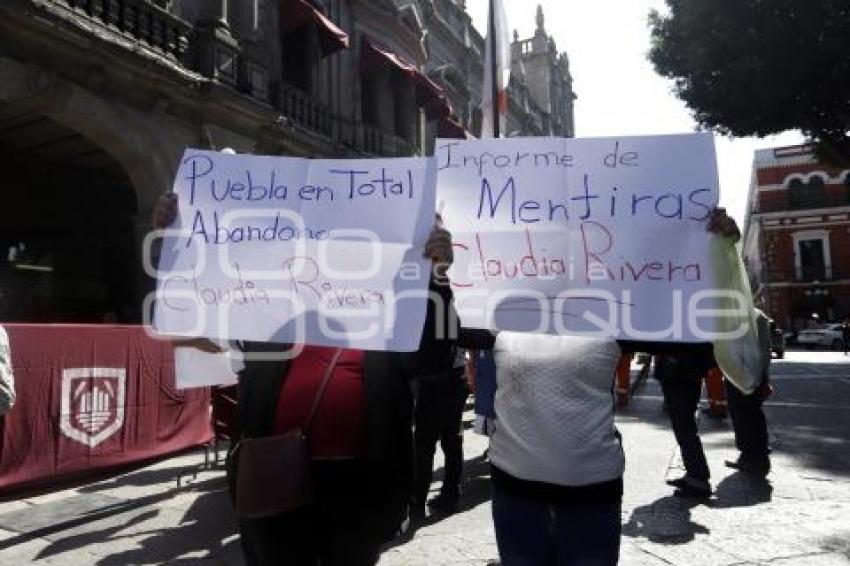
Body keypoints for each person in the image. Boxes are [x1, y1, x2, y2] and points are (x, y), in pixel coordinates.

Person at [152, 193, 456, 565]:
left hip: (357, 489)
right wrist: (174, 243)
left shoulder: (387, 320)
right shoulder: (269, 310)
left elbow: (436, 360)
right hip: (274, 479)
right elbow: (189, 328)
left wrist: (437, 278)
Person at [475, 209, 740, 564]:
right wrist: (437, 270)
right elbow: (422, 335)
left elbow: (700, 348)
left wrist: (715, 260)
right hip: (514, 491)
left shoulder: (615, 311)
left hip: (591, 494)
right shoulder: (498, 308)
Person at [412, 344, 469, 516]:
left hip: (437, 379)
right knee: (450, 439)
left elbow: (445, 349)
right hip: (452, 377)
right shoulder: (451, 318)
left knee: (426, 444)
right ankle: (449, 492)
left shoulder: (444, 318)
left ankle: (419, 497)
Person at [656, 350, 716, 498]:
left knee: (684, 427)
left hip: (679, 371)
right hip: (687, 370)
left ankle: (698, 477)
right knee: (684, 425)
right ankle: (695, 474)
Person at [724, 308, 773, 477]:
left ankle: (755, 457)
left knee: (745, 415)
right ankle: (751, 456)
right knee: (748, 414)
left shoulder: (743, 315)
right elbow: (766, 349)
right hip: (748, 373)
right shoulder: (759, 314)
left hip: (742, 373)